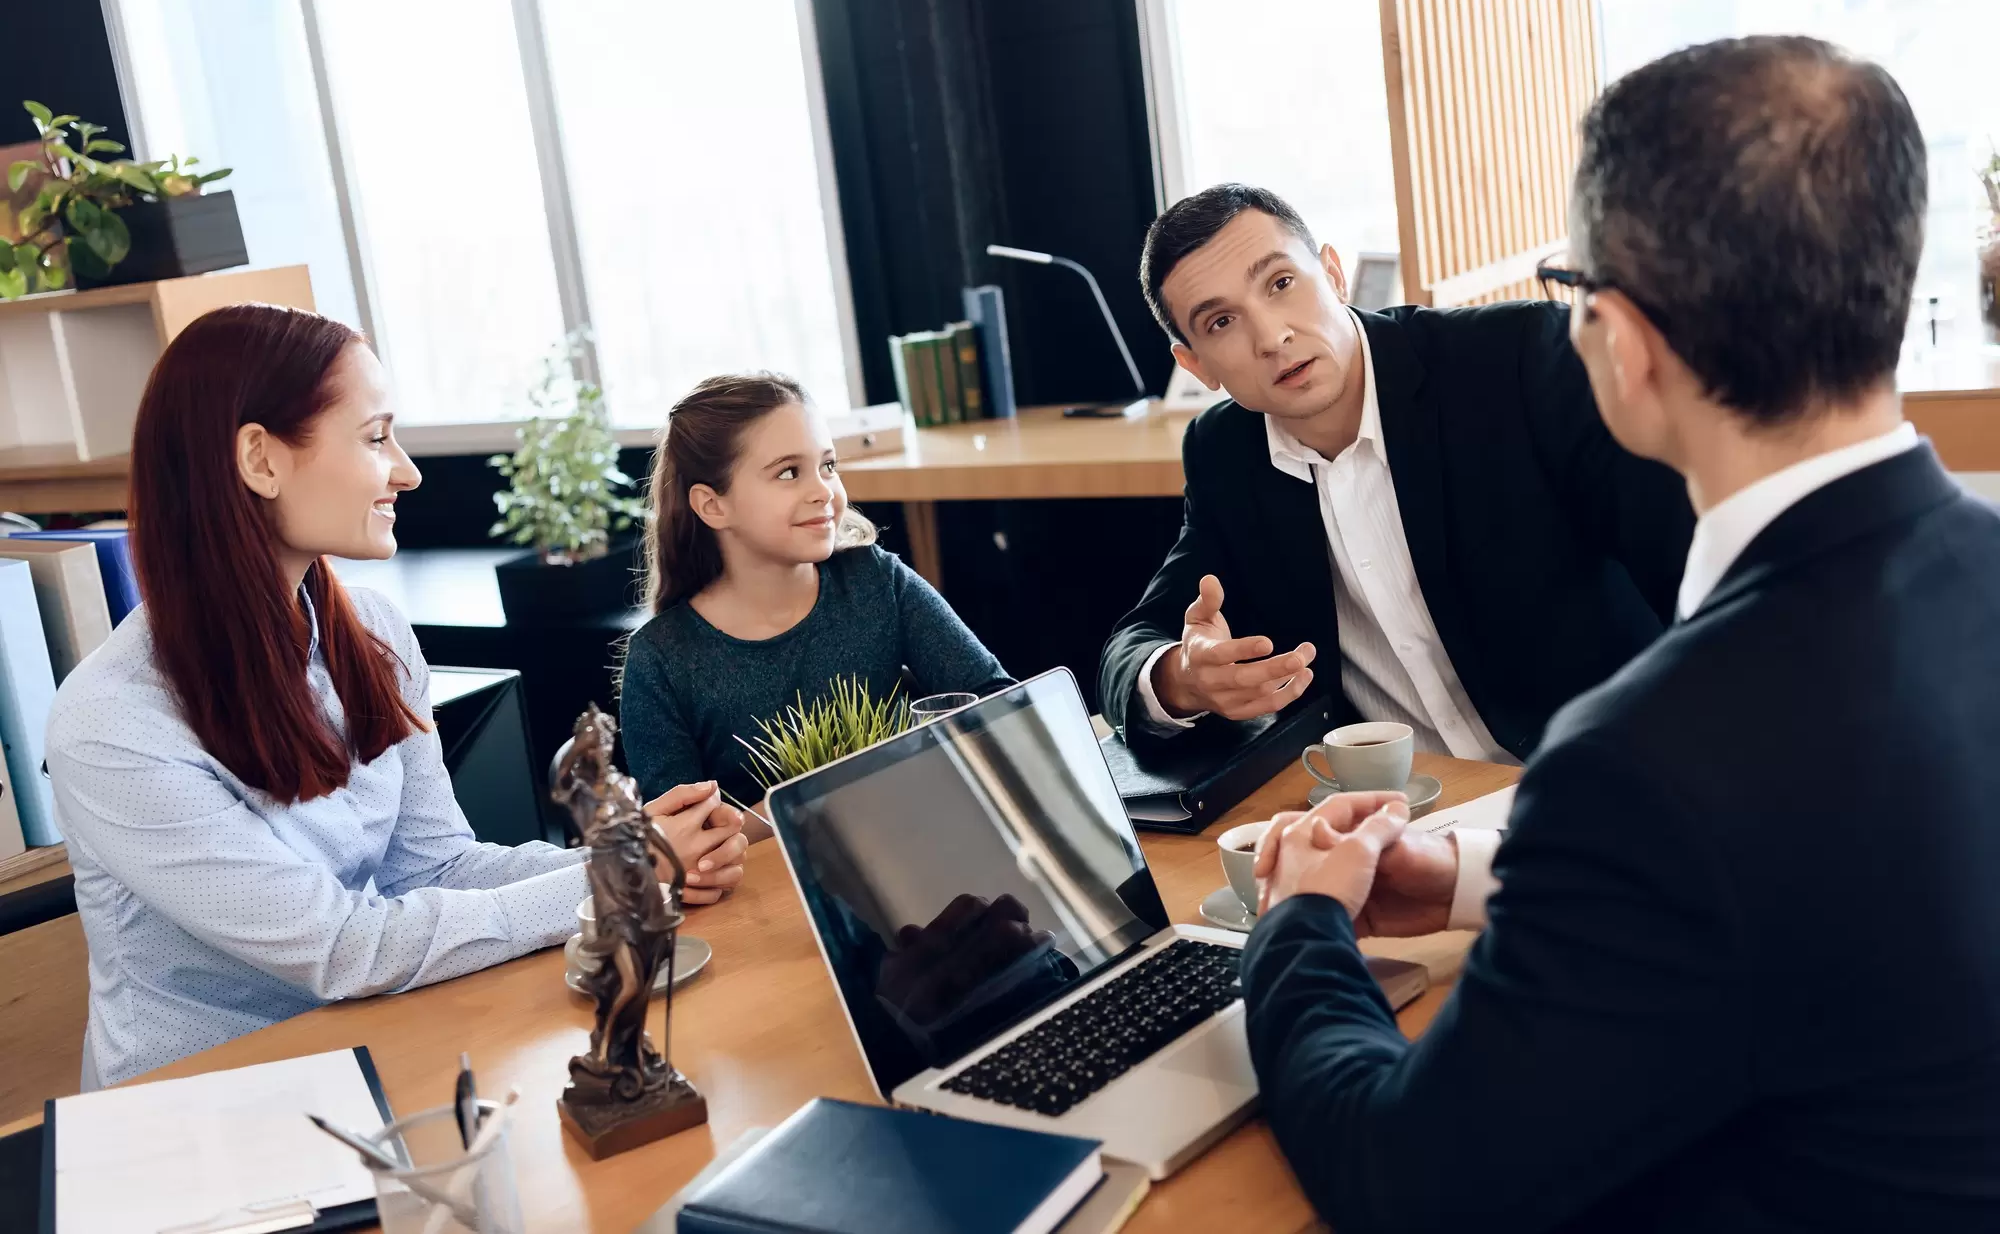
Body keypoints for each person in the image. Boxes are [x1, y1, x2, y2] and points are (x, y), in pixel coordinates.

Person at [1245, 35, 2000, 1230]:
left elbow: (1405, 1182)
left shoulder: (1647, 758)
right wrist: (1475, 879)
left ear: (1624, 340)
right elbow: (1837, 869)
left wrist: (1296, 927)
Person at [45, 305, 748, 1089]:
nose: (408, 470)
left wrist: (621, 860)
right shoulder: (112, 721)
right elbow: (346, 947)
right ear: (260, 459)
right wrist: (618, 875)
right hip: (203, 1117)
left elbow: (434, 867)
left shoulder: (372, 635)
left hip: (376, 1048)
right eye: (376, 437)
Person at [1100, 184, 1694, 784]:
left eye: (1281, 284)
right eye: (1222, 321)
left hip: (1613, 780)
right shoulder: (1225, 454)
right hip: (1401, 814)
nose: (1271, 336)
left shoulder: (1517, 361)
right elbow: (1133, 644)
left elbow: (1704, 572)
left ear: (1333, 274)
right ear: (1196, 365)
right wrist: (1182, 677)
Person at [619, 373, 1011, 812]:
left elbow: (1001, 705)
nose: (823, 491)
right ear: (713, 505)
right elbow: (681, 837)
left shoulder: (878, 581)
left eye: (828, 466)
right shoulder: (660, 659)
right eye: (789, 472)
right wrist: (807, 805)